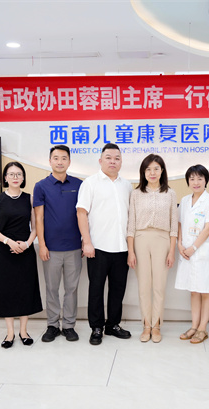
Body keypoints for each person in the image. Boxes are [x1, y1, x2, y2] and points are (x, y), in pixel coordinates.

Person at [76, 143, 133, 345]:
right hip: (97, 247)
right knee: (96, 289)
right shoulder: (90, 183)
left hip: (122, 247)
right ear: (100, 160)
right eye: (108, 158)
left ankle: (113, 325)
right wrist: (87, 242)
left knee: (118, 289)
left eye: (117, 158)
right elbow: (81, 213)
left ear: (121, 162)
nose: (112, 161)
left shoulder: (127, 185)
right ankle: (97, 327)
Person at [0, 162, 42, 348]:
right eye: (11, 174)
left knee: (25, 290)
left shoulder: (30, 198)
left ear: (23, 177)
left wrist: (27, 244)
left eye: (19, 174)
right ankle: (10, 333)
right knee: (6, 291)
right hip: (4, 251)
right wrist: (8, 242)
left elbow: (35, 227)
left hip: (25, 250)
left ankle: (23, 331)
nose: (15, 177)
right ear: (5, 178)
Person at [34, 146, 83, 343]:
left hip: (74, 247)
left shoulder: (79, 185)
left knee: (72, 288)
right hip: (51, 248)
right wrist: (42, 245)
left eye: (64, 158)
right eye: (56, 158)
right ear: (50, 161)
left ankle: (69, 325)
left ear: (69, 161)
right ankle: (52, 325)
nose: (60, 162)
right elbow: (38, 218)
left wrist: (84, 240)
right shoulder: (41, 186)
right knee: (52, 289)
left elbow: (84, 215)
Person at [127, 154, 178, 343]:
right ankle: (146, 325)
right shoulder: (136, 193)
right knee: (143, 286)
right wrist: (131, 251)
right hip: (140, 239)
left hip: (162, 240)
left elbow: (174, 226)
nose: (152, 172)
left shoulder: (170, 193)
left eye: (156, 168)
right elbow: (131, 225)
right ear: (143, 172)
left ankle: (156, 325)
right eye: (148, 169)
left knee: (159, 286)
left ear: (162, 171)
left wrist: (172, 251)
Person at [175, 165, 209, 344]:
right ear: (188, 181)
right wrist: (180, 243)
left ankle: (203, 329)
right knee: (194, 290)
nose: (196, 182)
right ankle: (194, 326)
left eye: (199, 179)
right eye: (192, 179)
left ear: (206, 181)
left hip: (202, 253)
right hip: (187, 252)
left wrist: (193, 248)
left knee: (206, 290)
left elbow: (208, 228)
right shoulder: (185, 200)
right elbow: (180, 223)